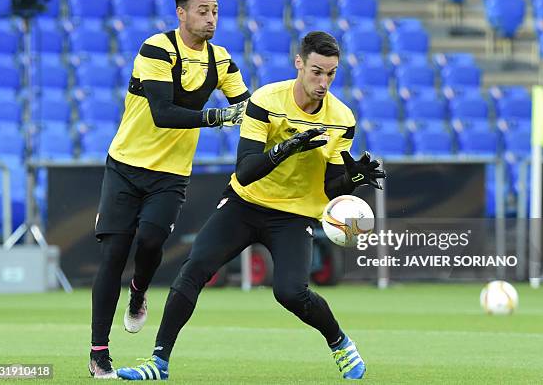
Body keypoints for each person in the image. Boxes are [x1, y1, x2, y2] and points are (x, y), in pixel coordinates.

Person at [116, 31, 385, 381]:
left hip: (295, 214)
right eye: (317, 71)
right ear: (299, 63)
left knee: (290, 293)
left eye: (331, 73)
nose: (324, 82)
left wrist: (355, 180)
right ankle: (158, 362)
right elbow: (245, 170)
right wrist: (284, 149)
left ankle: (341, 344)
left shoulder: (342, 118)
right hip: (245, 203)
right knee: (195, 267)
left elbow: (331, 187)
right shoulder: (266, 100)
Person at [88, 0, 251, 379]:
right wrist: (214, 117)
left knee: (150, 241)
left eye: (215, 11)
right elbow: (163, 112)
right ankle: (99, 352)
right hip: (125, 165)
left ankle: (139, 291)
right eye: (202, 10)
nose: (210, 18)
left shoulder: (222, 60)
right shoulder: (157, 48)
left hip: (170, 174)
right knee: (112, 256)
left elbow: (249, 108)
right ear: (181, 13)